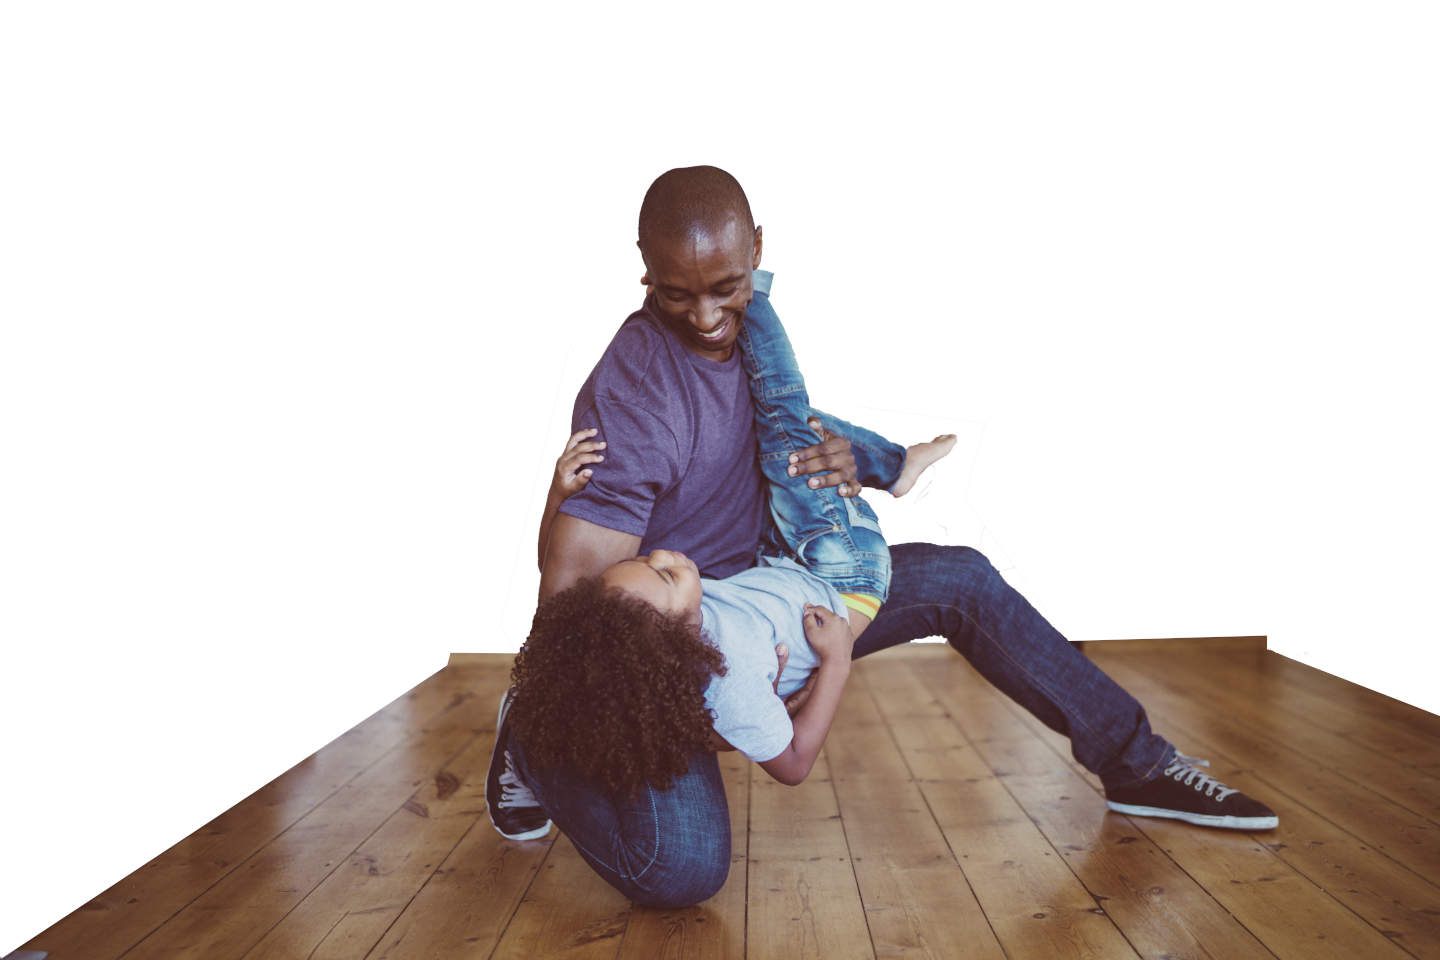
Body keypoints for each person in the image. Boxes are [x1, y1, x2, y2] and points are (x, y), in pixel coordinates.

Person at [487, 165, 1278, 908]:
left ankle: (1139, 764)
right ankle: (531, 737)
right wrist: (717, 680)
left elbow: (778, 424)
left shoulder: (756, 328)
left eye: (725, 289)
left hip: (779, 589)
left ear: (757, 251)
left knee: (960, 578)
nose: (705, 318)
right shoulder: (636, 396)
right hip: (672, 649)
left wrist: (844, 462)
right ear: (645, 269)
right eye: (676, 294)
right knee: (684, 869)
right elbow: (568, 619)